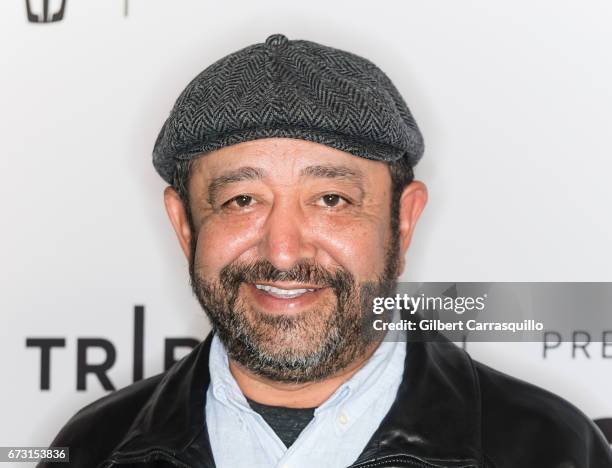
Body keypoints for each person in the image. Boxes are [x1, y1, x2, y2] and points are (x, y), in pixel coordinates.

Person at [41, 33, 612, 468]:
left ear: (403, 221)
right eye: (241, 200)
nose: (284, 251)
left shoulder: (553, 449)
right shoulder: (92, 449)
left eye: (332, 198)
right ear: (185, 225)